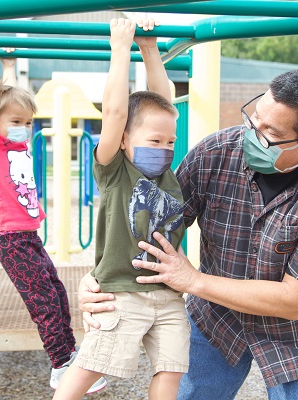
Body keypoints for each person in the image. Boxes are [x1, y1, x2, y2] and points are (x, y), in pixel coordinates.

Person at [80, 69, 298, 399]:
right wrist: (102, 278)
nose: (253, 134)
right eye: (253, 119)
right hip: (217, 321)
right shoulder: (216, 154)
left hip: (295, 336)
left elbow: (293, 301)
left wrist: (192, 280)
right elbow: (149, 223)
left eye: (269, 133)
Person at [0, 31, 106, 394]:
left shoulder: (15, 140)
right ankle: (61, 365)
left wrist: (9, 66)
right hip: (11, 242)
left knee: (58, 293)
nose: (24, 127)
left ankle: (70, 355)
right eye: (16, 122)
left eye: (28, 121)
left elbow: (10, 102)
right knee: (43, 303)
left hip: (28, 238)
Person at [53, 18, 188, 400]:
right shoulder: (114, 170)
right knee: (90, 367)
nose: (163, 148)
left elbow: (164, 104)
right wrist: (121, 48)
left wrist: (150, 49)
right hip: (121, 293)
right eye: (154, 140)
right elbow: (114, 114)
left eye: (169, 142)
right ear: (125, 140)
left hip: (169, 294)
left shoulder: (166, 174)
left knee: (171, 370)